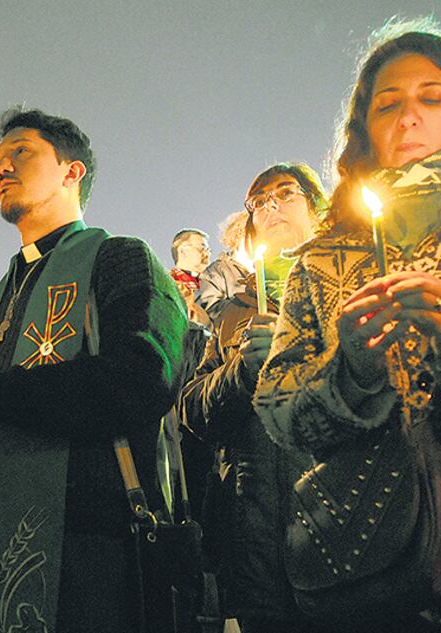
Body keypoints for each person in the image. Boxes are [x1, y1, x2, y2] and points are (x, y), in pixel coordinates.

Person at [253, 19, 441, 633]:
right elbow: (276, 406)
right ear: (364, 129)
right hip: (378, 567)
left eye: (432, 97)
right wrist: (352, 371)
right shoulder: (322, 259)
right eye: (387, 105)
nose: (408, 118)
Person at [0, 107, 187, 633]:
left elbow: (141, 380)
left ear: (73, 172)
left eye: (21, 152)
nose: (3, 167)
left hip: (88, 559)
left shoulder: (120, 259)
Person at [179, 162, 326, 633]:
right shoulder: (232, 313)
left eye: (285, 193)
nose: (271, 206)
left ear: (316, 206)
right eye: (258, 202)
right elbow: (193, 410)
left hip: (350, 528)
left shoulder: (352, 285)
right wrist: (241, 370)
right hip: (257, 541)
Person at [199, 211, 252, 324]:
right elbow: (210, 309)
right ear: (238, 236)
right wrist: (249, 303)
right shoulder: (216, 272)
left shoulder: (269, 268)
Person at [170, 228, 213, 327]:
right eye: (202, 247)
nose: (207, 253)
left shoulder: (214, 283)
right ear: (183, 251)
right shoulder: (170, 284)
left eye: (208, 249)